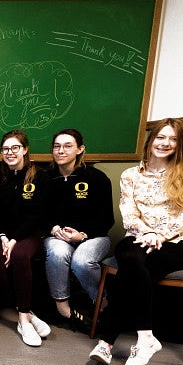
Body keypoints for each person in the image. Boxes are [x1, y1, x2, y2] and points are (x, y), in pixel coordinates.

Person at [89, 118, 183, 365]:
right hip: (139, 239)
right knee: (130, 256)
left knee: (129, 271)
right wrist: (147, 233)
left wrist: (160, 235)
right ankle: (146, 337)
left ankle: (106, 342)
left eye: (173, 139)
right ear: (151, 139)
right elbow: (128, 214)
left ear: (180, 144)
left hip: (178, 243)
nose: (165, 143)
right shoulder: (131, 175)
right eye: (161, 137)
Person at [0, 130, 51, 346]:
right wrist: (3, 237)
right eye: (5, 149)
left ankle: (23, 318)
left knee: (20, 256)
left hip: (27, 234)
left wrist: (14, 240)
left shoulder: (40, 177)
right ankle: (28, 311)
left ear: (25, 150)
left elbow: (38, 215)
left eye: (15, 148)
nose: (10, 153)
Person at [43, 128, 114, 332]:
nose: (61, 151)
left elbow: (106, 219)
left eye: (67, 146)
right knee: (58, 252)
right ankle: (63, 309)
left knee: (82, 261)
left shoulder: (97, 178)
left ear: (80, 149)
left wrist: (82, 235)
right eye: (57, 146)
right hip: (57, 236)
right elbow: (39, 215)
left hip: (93, 236)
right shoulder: (46, 179)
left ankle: (102, 302)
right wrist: (54, 229)